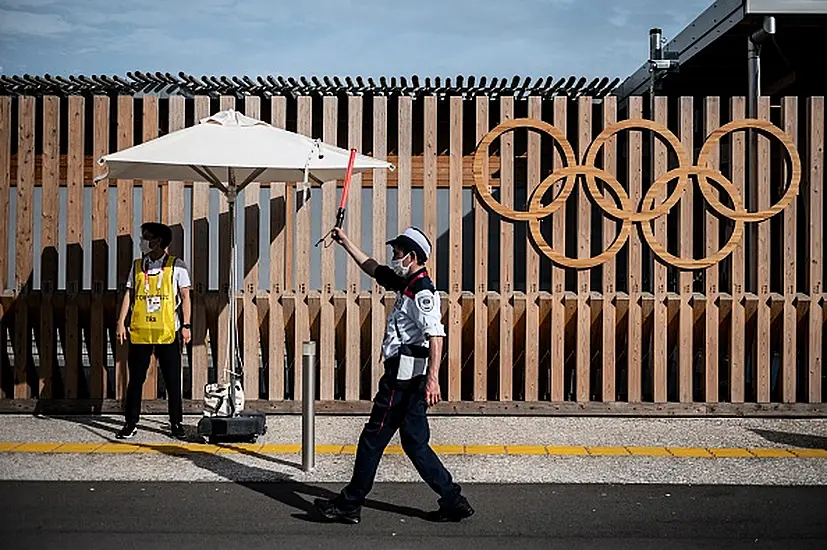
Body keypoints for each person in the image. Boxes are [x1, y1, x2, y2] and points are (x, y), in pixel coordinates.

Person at [314, 226, 474, 524]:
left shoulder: (421, 291)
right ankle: (453, 499)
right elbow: (373, 267)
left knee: (372, 439)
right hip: (409, 375)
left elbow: (436, 335)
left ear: (412, 257)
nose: (393, 257)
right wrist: (345, 240)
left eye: (397, 253)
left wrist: (433, 379)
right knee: (414, 442)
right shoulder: (406, 282)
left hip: (403, 378)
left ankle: (350, 505)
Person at [115, 222, 192, 440]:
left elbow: (186, 297)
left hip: (167, 331)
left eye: (147, 237)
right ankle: (131, 423)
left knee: (172, 379)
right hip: (141, 331)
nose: (143, 241)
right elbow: (129, 294)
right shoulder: (138, 265)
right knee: (136, 379)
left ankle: (176, 422)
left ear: (158, 241)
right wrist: (121, 321)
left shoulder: (177, 266)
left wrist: (186, 325)